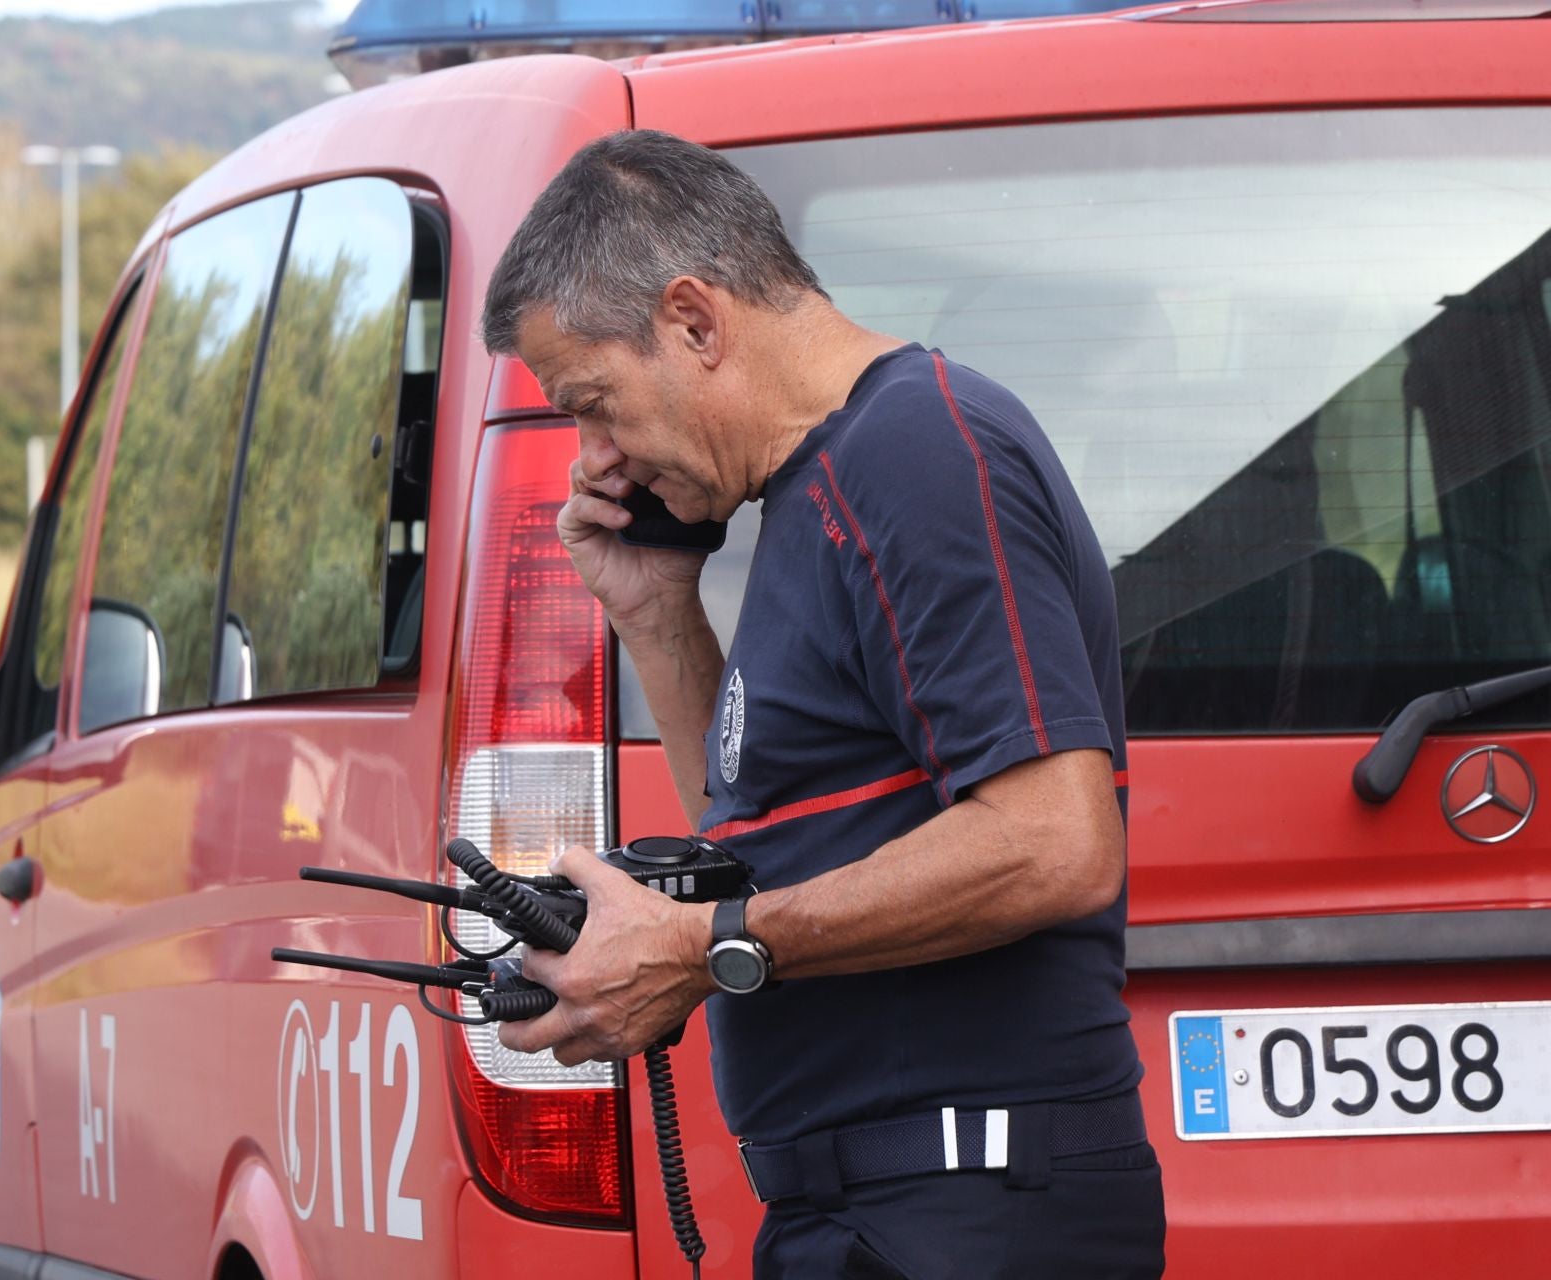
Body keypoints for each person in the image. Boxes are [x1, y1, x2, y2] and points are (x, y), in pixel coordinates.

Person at [479, 129, 1164, 1279]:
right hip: (880, 1209)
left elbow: (1055, 843)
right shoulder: (806, 496)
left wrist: (708, 949)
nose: (597, 454)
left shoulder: (916, 452)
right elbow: (761, 840)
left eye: (594, 403)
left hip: (966, 1208)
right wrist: (655, 612)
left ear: (696, 322)